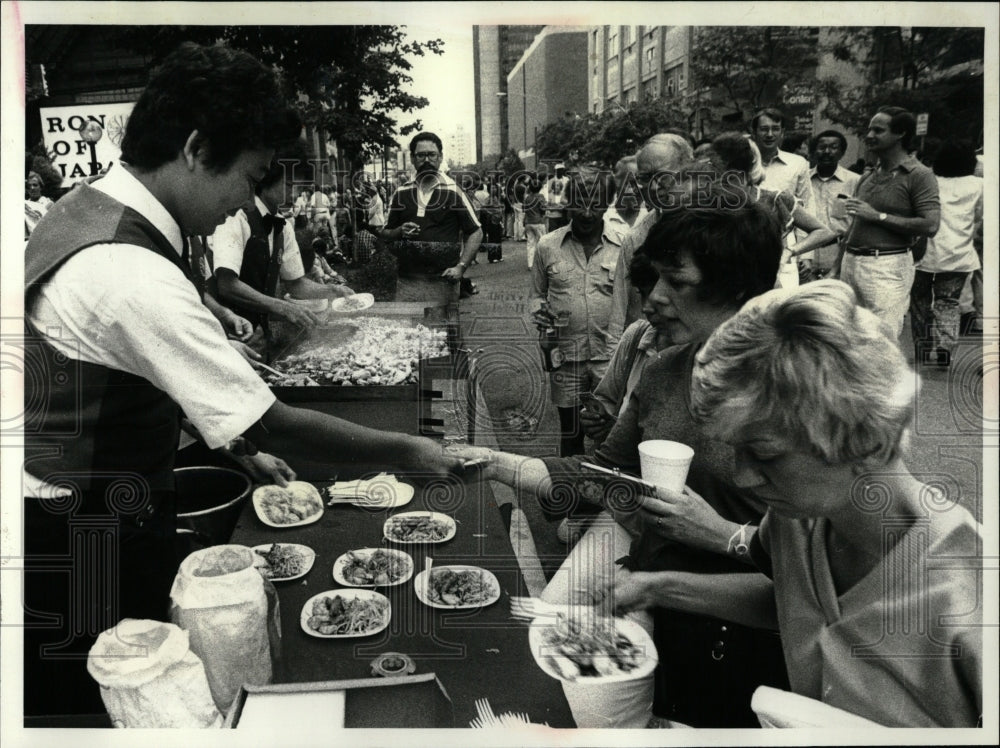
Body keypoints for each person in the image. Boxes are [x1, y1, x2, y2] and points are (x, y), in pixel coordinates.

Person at [22, 42, 463, 722]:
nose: (243, 206)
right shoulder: (126, 266)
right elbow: (271, 418)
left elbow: (136, 367)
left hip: (88, 499)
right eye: (249, 179)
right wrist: (404, 450)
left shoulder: (91, 210)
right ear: (198, 149)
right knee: (103, 698)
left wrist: (234, 445)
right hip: (83, 530)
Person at [458, 178, 789, 727]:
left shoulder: (794, 393)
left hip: (735, 634)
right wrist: (492, 462)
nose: (653, 297)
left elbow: (808, 585)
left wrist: (723, 538)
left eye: (675, 281)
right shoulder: (662, 371)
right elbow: (604, 473)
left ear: (739, 290)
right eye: (654, 277)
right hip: (647, 580)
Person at [682, 280, 982, 727]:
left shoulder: (971, 594)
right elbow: (787, 598)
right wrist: (656, 587)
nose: (742, 476)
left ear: (867, 439)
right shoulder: (794, 519)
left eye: (764, 453)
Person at [212, 141, 353, 338]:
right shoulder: (237, 217)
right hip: (227, 333)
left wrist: (333, 290)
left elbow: (296, 284)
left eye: (299, 187)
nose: (295, 194)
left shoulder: (284, 226)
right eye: (289, 185)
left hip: (260, 333)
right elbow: (227, 285)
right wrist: (282, 307)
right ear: (268, 177)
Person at [531, 165, 621, 457]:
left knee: (611, 433)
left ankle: (605, 495)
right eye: (579, 202)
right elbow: (536, 295)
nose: (586, 212)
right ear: (566, 202)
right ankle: (569, 496)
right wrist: (543, 326)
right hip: (565, 358)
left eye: (595, 203)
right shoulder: (547, 245)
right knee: (570, 433)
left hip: (611, 359)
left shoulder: (625, 244)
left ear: (607, 204)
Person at [838, 106, 941, 340]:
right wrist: (837, 266)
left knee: (881, 339)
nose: (870, 135)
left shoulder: (919, 175)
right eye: (869, 130)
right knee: (850, 338)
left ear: (901, 134)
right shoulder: (868, 175)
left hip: (886, 266)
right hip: (851, 263)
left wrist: (879, 216)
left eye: (878, 130)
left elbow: (931, 225)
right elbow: (855, 225)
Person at [606, 133, 694, 348]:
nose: (653, 187)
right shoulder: (636, 239)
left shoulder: (722, 228)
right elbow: (620, 315)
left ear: (688, 171)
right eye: (645, 179)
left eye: (662, 176)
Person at [705, 133, 836, 276]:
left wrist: (790, 251)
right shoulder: (712, 199)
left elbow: (824, 232)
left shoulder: (773, 198)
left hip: (768, 279)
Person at [379, 132, 482, 305]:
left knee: (442, 330)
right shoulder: (401, 193)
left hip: (443, 282)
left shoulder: (453, 191)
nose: (427, 160)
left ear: (440, 157)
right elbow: (385, 233)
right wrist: (399, 231)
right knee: (408, 330)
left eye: (432, 154)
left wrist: (461, 267)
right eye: (421, 155)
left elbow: (475, 232)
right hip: (407, 282)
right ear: (412, 158)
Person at [910, 140, 983, 365]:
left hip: (925, 252)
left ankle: (922, 347)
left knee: (919, 300)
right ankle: (945, 346)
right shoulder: (979, 185)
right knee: (948, 302)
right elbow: (979, 217)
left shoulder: (929, 180)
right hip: (959, 253)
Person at [808, 129, 860, 277]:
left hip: (839, 255)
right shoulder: (803, 179)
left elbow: (858, 221)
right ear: (814, 151)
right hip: (806, 256)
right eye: (822, 147)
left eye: (833, 147)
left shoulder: (855, 181)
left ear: (842, 152)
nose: (827, 151)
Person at [750, 108, 815, 214]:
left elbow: (807, 205)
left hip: (786, 228)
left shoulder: (798, 163)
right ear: (754, 133)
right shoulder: (743, 162)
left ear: (782, 133)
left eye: (775, 129)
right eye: (764, 129)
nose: (770, 134)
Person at [602, 153, 646, 245]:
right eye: (632, 182)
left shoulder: (653, 217)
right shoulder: (602, 218)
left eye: (642, 181)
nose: (639, 187)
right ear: (617, 184)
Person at [522, 176, 547, 270]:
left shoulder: (527, 198)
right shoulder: (541, 197)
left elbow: (524, 209)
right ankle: (543, 263)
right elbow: (543, 209)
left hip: (528, 222)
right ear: (540, 187)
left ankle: (530, 264)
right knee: (542, 243)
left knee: (530, 244)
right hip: (539, 222)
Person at [24, 171, 54, 238]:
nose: (32, 188)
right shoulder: (23, 206)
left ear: (41, 187)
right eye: (29, 186)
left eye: (35, 185)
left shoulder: (48, 204)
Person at [543, 163, 569, 232]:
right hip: (554, 205)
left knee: (563, 227)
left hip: (564, 207)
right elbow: (547, 193)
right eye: (558, 170)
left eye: (562, 170)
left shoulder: (567, 180)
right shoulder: (551, 181)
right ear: (556, 171)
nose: (560, 172)